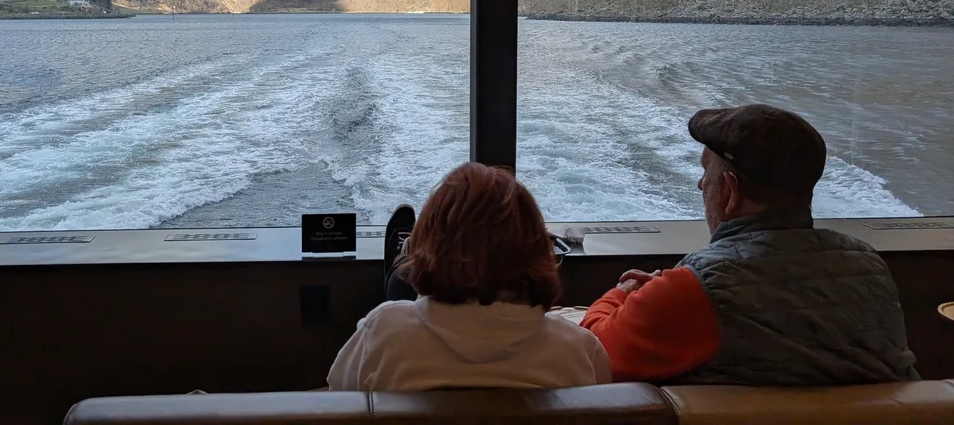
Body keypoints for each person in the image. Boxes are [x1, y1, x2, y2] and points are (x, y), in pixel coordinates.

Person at [581, 104, 919, 386]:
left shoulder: (690, 291)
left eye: (705, 173)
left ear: (730, 190)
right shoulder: (868, 266)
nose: (701, 185)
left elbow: (590, 354)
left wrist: (624, 293)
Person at [326, 163, 610, 391]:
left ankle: (401, 273)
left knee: (398, 292)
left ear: (427, 248)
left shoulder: (382, 333)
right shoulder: (577, 349)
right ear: (538, 252)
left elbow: (341, 396)